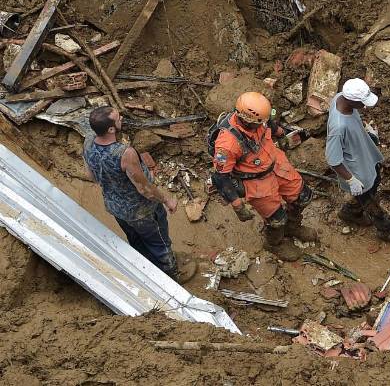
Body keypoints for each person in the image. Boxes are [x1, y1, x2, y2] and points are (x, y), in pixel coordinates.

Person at [82, 106, 195, 283]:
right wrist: (167, 200)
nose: (121, 120)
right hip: (141, 210)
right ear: (111, 129)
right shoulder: (125, 153)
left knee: (136, 240)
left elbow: (91, 176)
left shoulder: (88, 143)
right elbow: (145, 189)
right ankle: (172, 275)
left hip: (115, 207)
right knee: (160, 242)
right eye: (118, 118)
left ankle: (147, 271)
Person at [210, 91, 316, 261]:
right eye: (260, 123)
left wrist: (282, 133)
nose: (264, 125)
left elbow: (270, 124)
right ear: (247, 120)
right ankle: (274, 243)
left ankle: (293, 226)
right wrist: (238, 206)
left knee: (303, 197)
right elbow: (220, 177)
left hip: (276, 163)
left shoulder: (260, 121)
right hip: (255, 180)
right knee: (276, 219)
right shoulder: (227, 145)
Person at [327, 78, 390, 244]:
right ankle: (387, 230)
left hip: (364, 155)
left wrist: (365, 132)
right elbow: (333, 160)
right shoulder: (339, 126)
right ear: (351, 100)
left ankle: (351, 212)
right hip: (357, 171)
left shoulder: (340, 98)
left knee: (374, 180)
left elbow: (352, 125)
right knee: (369, 199)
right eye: (362, 103)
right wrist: (351, 179)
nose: (364, 107)